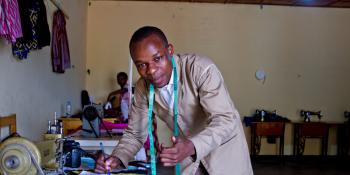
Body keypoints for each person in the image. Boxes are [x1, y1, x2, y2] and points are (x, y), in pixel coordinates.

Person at [95, 26, 253, 175]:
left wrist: (191, 146)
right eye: (142, 65)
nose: (151, 70)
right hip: (189, 158)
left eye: (157, 59)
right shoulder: (143, 88)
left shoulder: (200, 69)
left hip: (224, 153)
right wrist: (116, 158)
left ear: (169, 51)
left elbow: (225, 119)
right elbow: (136, 134)